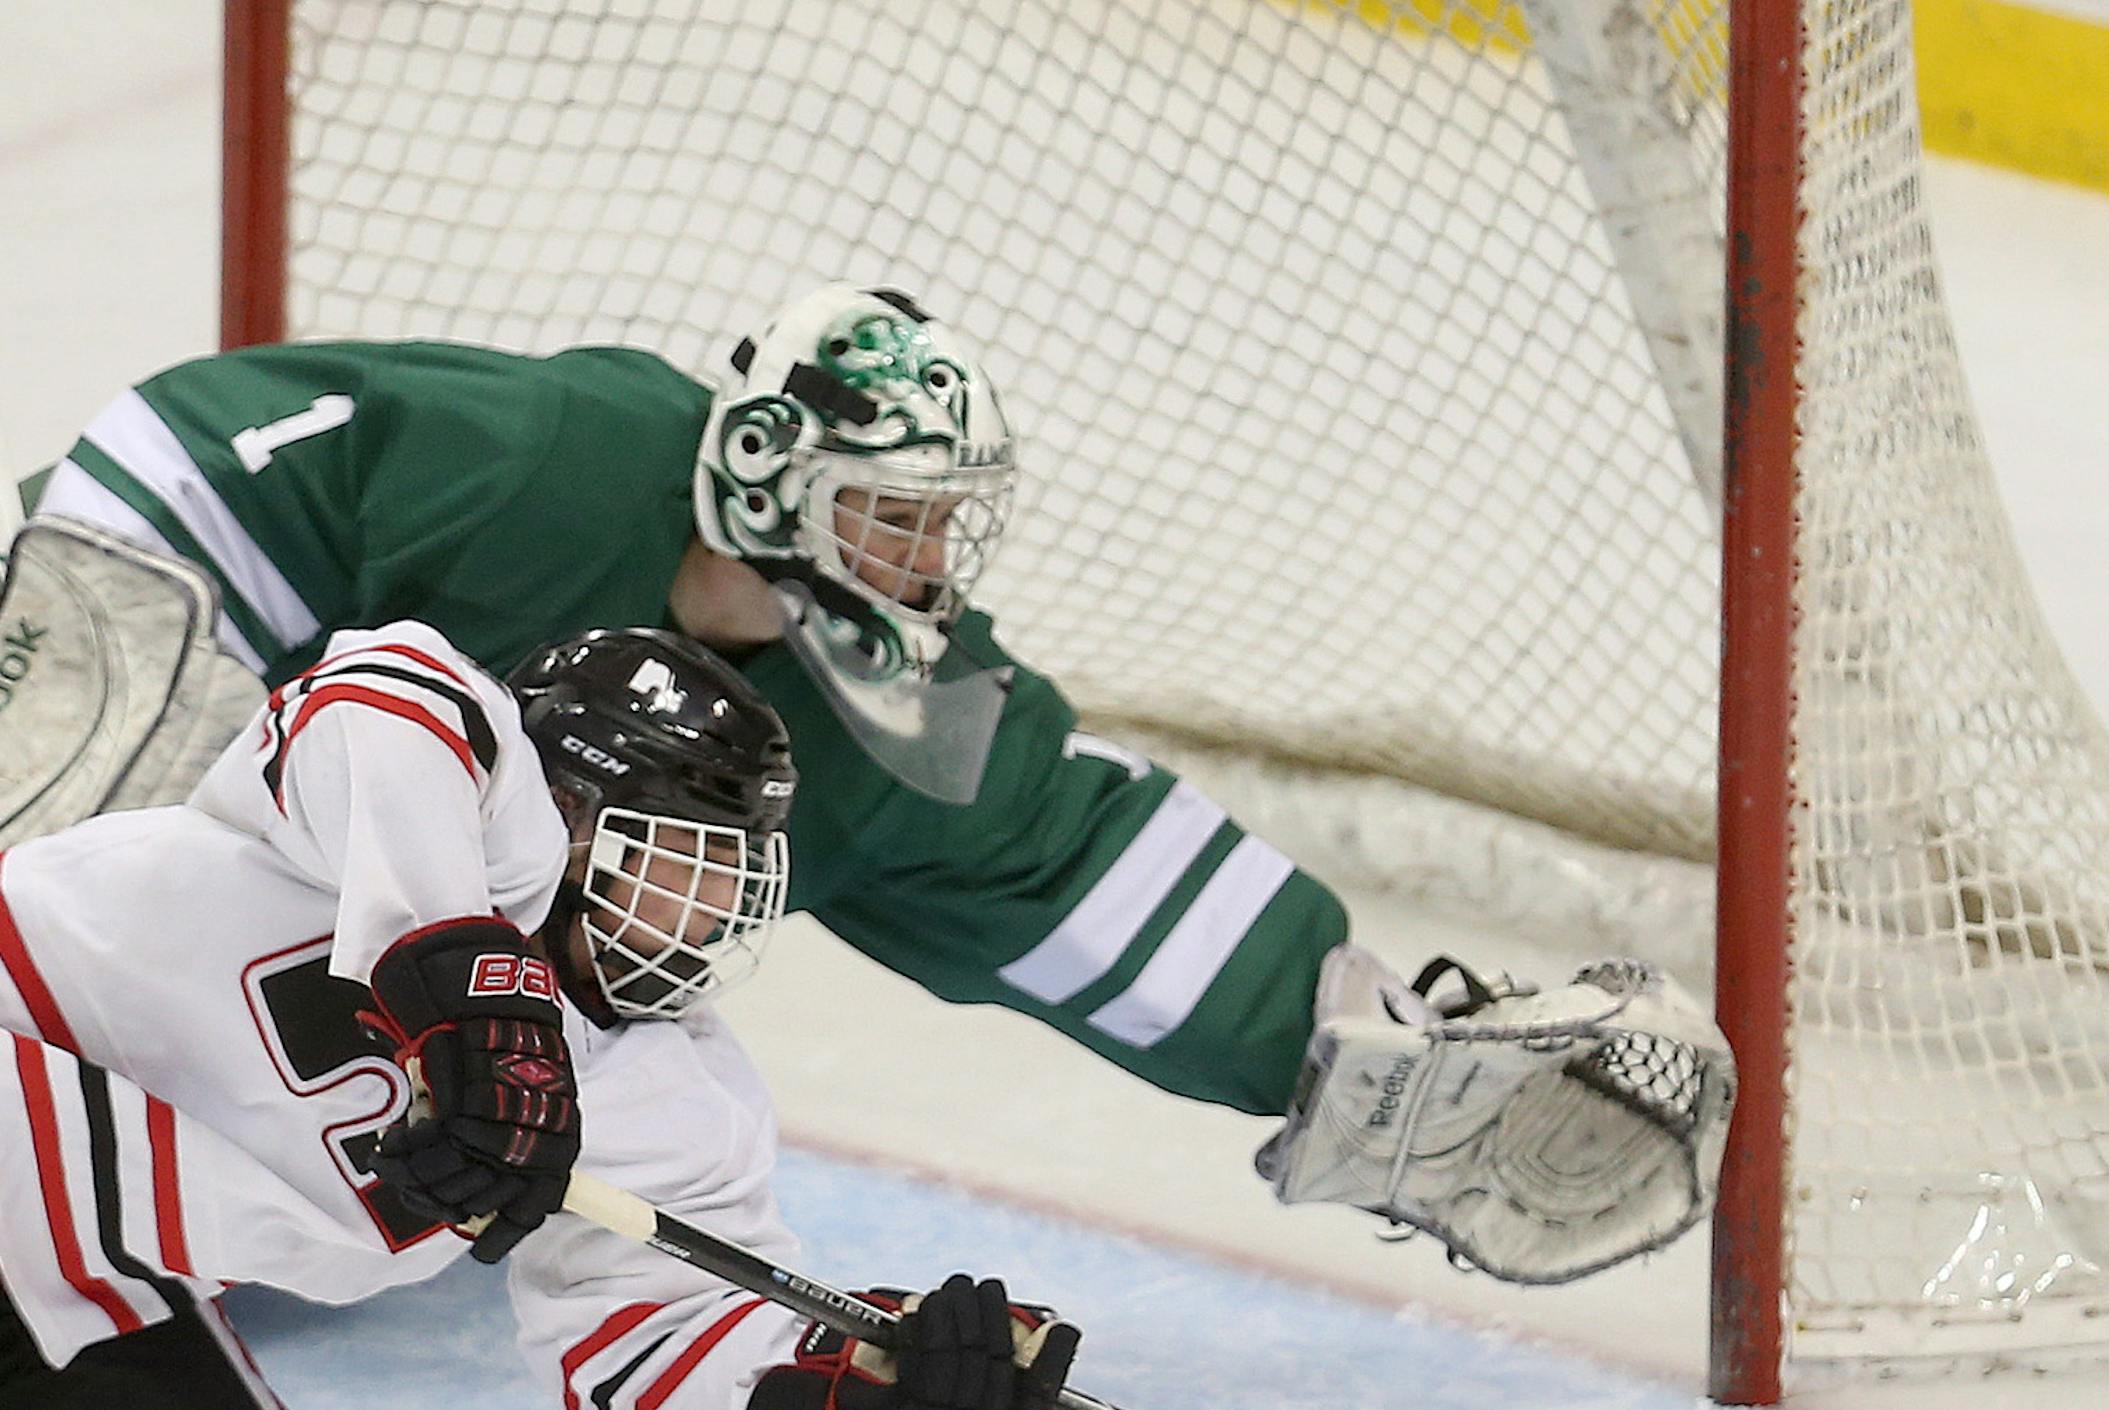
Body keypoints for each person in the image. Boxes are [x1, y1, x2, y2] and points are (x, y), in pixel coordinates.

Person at [6, 283, 1732, 1287]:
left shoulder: (894, 717)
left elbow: (1071, 856)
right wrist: (104, 634)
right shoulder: (557, 463)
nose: (927, 559)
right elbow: (216, 446)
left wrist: (1345, 1034)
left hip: (373, 1042)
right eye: (890, 514)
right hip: (216, 794)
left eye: (943, 522)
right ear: (764, 474)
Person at [0, 598, 1079, 1410]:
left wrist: (851, 1396)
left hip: (64, 1293)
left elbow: (668, 1360)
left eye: (734, 877)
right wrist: (466, 990)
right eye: (688, 862)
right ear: (564, 813)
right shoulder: (447, 809)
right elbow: (382, 693)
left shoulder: (671, 1099)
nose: (711, 913)